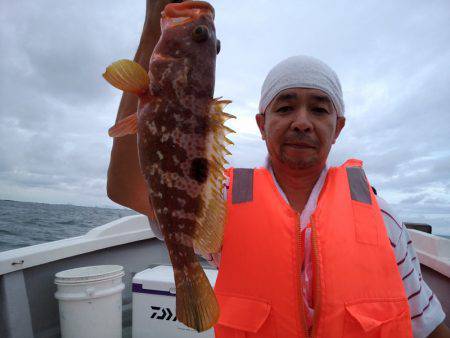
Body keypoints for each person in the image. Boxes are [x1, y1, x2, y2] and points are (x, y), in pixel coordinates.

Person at [106, 1, 448, 337]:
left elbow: (428, 325)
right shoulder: (223, 202)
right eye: (285, 108)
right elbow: (125, 189)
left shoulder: (382, 220)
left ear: (338, 127)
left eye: (318, 110)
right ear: (260, 123)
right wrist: (155, 22)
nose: (302, 122)